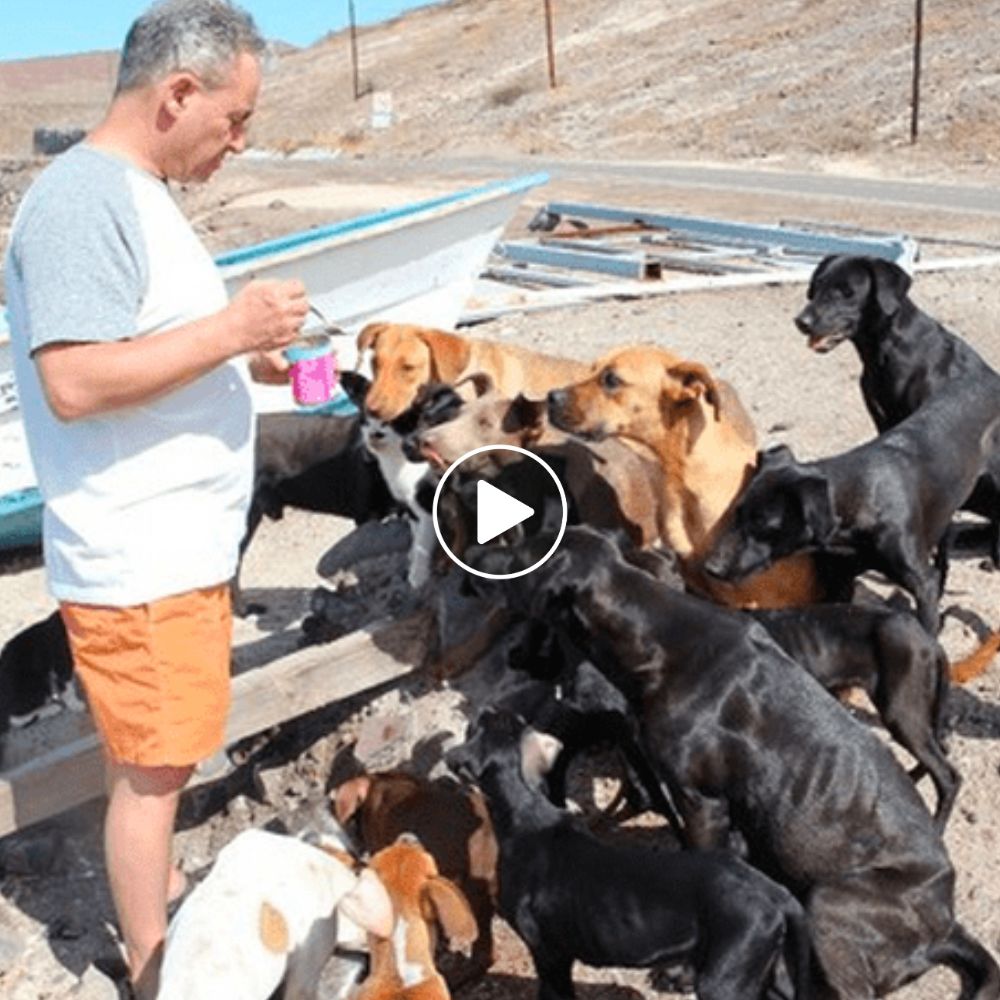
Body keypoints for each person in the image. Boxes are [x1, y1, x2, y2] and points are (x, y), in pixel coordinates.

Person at [4, 1, 308, 994]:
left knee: (159, 752)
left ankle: (154, 888)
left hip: (171, 548)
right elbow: (77, 380)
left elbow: (137, 353)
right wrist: (228, 333)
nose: (240, 142)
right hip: (138, 555)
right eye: (233, 120)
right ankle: (150, 961)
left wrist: (239, 363)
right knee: (152, 769)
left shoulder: (130, 195)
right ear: (177, 93)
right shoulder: (82, 201)